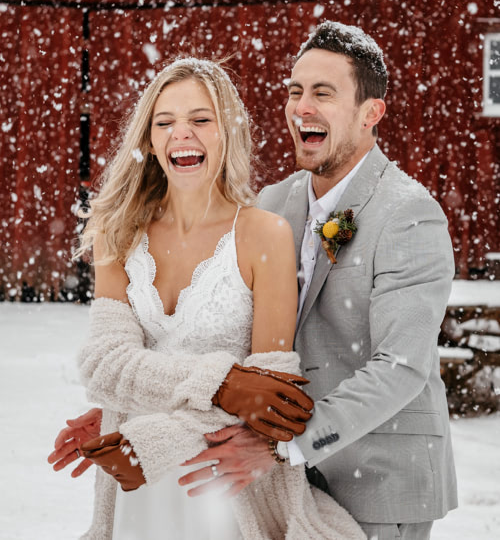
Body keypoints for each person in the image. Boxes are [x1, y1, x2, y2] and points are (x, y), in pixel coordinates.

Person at [49, 57, 366, 540]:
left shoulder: (263, 234)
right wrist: (222, 383)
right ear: (150, 140)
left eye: (200, 120)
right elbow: (104, 366)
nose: (183, 135)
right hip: (135, 488)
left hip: (222, 479)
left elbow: (271, 395)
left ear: (226, 132)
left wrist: (158, 436)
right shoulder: (118, 233)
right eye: (165, 122)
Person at [175, 22, 458, 540]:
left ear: (371, 113)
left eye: (322, 93)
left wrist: (284, 441)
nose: (301, 106)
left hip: (377, 481)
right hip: (278, 484)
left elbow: (400, 366)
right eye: (295, 91)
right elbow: (225, 328)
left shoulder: (409, 213)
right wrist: (127, 412)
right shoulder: (271, 203)